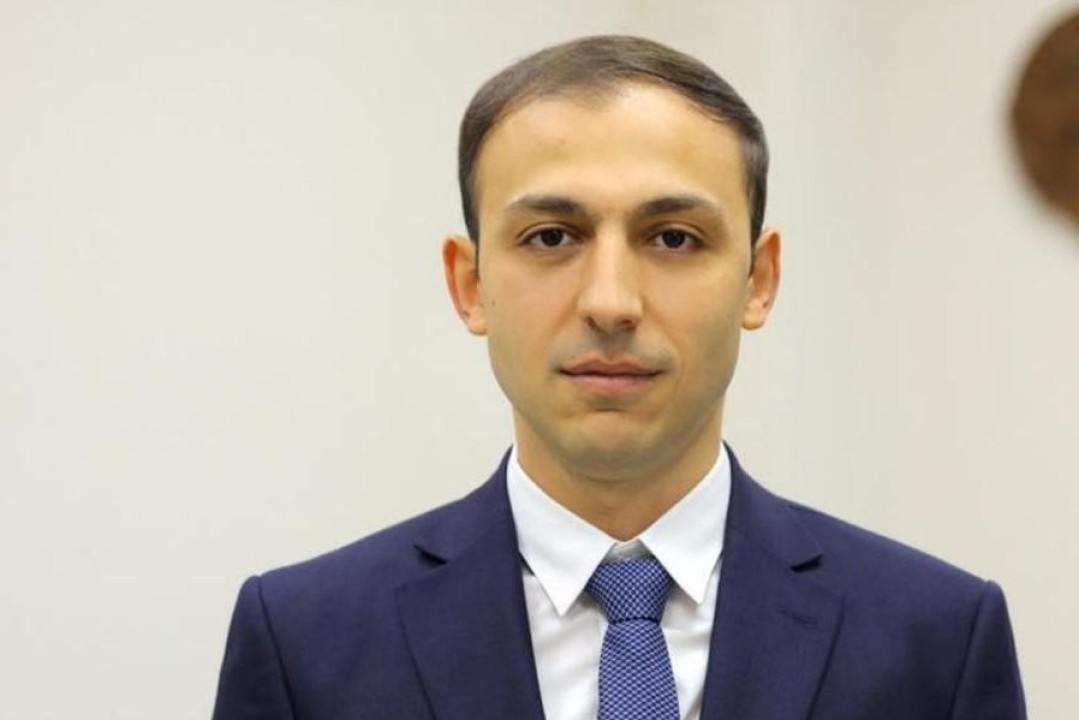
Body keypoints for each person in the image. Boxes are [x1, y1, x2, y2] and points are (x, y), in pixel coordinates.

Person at [212, 35, 1025, 719]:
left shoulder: (936, 643)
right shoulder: (304, 646)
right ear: (468, 284)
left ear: (758, 279)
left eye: (672, 238)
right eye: (550, 236)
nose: (610, 302)